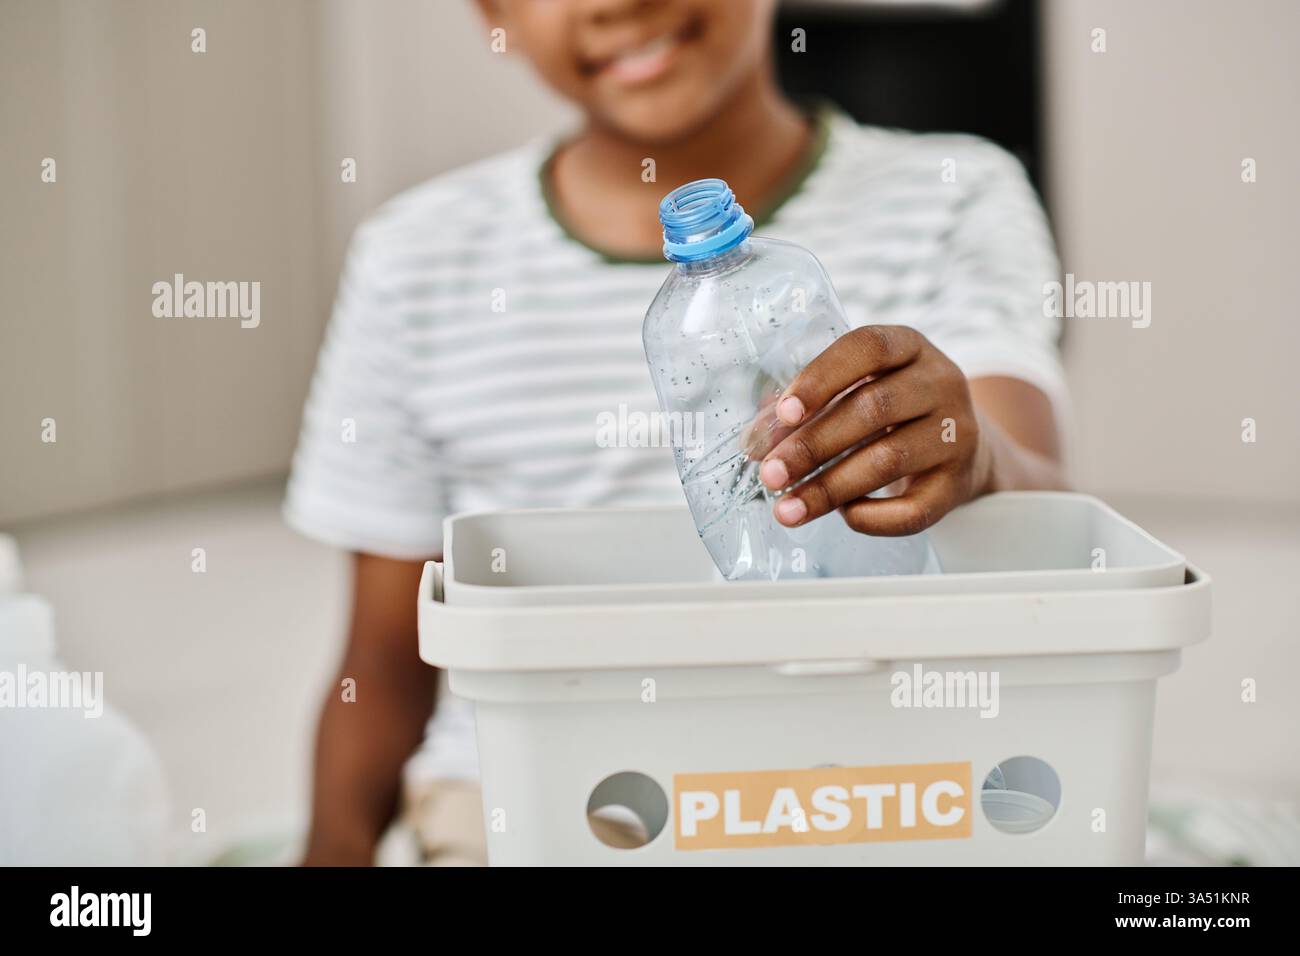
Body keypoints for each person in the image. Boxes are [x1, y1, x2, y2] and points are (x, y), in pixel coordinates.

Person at [285, 0, 1067, 866]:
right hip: (540, 797)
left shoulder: (954, 195)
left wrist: (973, 449)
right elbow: (384, 663)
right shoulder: (416, 260)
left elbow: (1047, 516)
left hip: (880, 776)